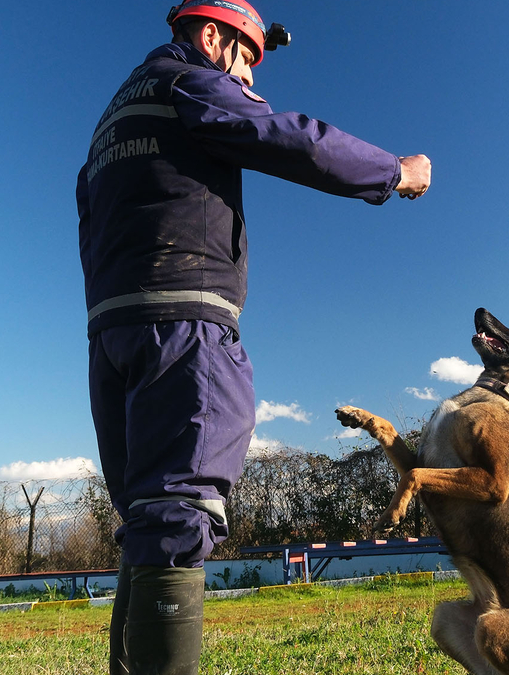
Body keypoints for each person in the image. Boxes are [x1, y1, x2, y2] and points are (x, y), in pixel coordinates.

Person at [76, 2, 431, 673]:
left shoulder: (112, 118)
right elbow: (289, 137)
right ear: (212, 36)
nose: (247, 79)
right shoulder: (190, 82)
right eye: (246, 59)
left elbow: (87, 219)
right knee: (180, 510)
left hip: (113, 334)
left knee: (149, 519)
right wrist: (394, 171)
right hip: (184, 327)